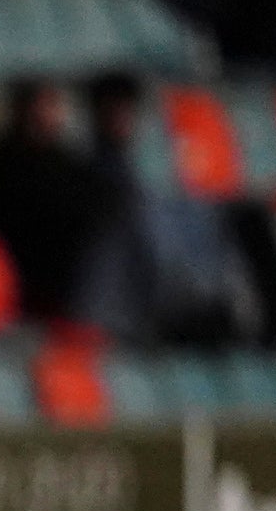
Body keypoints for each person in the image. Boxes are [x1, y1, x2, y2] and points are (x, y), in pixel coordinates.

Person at [71, 71, 259, 344]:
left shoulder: (167, 177)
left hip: (182, 309)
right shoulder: (87, 179)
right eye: (110, 109)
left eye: (126, 108)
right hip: (123, 313)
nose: (119, 119)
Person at [0, 78, 102, 322]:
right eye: (40, 105)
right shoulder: (5, 162)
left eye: (52, 105)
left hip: (66, 286)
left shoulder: (71, 166)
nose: (45, 113)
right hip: (18, 276)